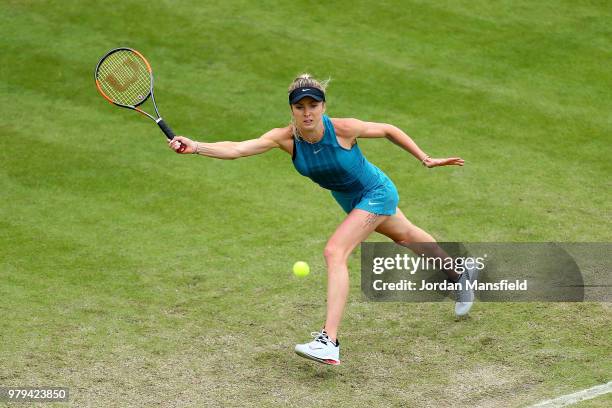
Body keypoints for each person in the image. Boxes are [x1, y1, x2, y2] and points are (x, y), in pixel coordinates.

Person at [168, 73, 478, 366]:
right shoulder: (284, 138)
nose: (307, 113)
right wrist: (196, 147)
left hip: (376, 192)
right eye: (300, 107)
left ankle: (329, 341)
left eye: (313, 106)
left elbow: (387, 129)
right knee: (406, 236)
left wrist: (424, 157)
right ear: (291, 109)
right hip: (350, 200)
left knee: (335, 252)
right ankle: (460, 274)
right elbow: (237, 148)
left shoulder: (342, 128)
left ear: (323, 106)